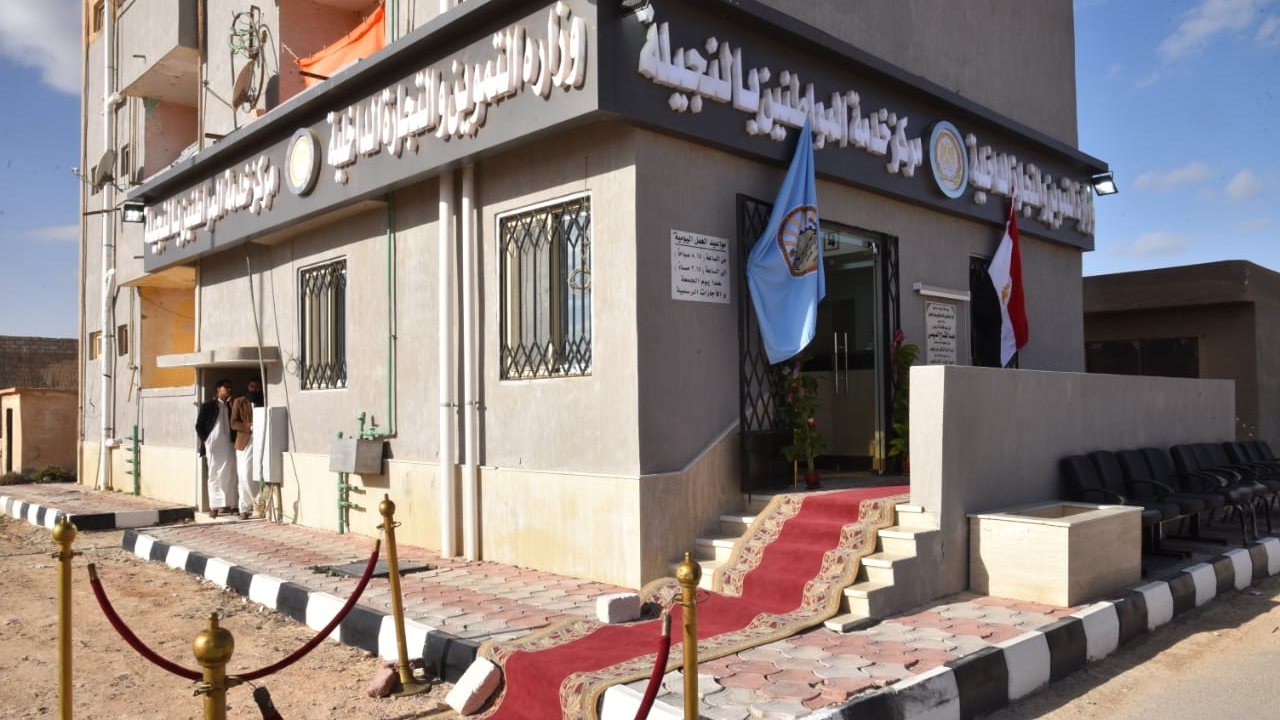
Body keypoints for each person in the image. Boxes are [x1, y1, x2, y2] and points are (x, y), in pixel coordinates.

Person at [195, 379, 237, 518]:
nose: (228, 390)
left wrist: (231, 404)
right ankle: (214, 506)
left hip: (229, 443)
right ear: (218, 389)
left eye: (230, 387)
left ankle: (232, 504)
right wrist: (206, 439)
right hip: (213, 444)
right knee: (214, 473)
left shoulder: (232, 405)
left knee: (230, 472)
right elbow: (199, 425)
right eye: (226, 387)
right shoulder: (208, 406)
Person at [230, 377, 264, 520]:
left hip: (260, 440)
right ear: (248, 387)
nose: (254, 389)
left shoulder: (264, 400)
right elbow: (233, 423)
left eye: (257, 387)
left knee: (260, 474)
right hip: (244, 442)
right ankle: (244, 508)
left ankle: (258, 506)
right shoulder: (239, 402)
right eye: (252, 386)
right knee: (244, 474)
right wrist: (249, 426)